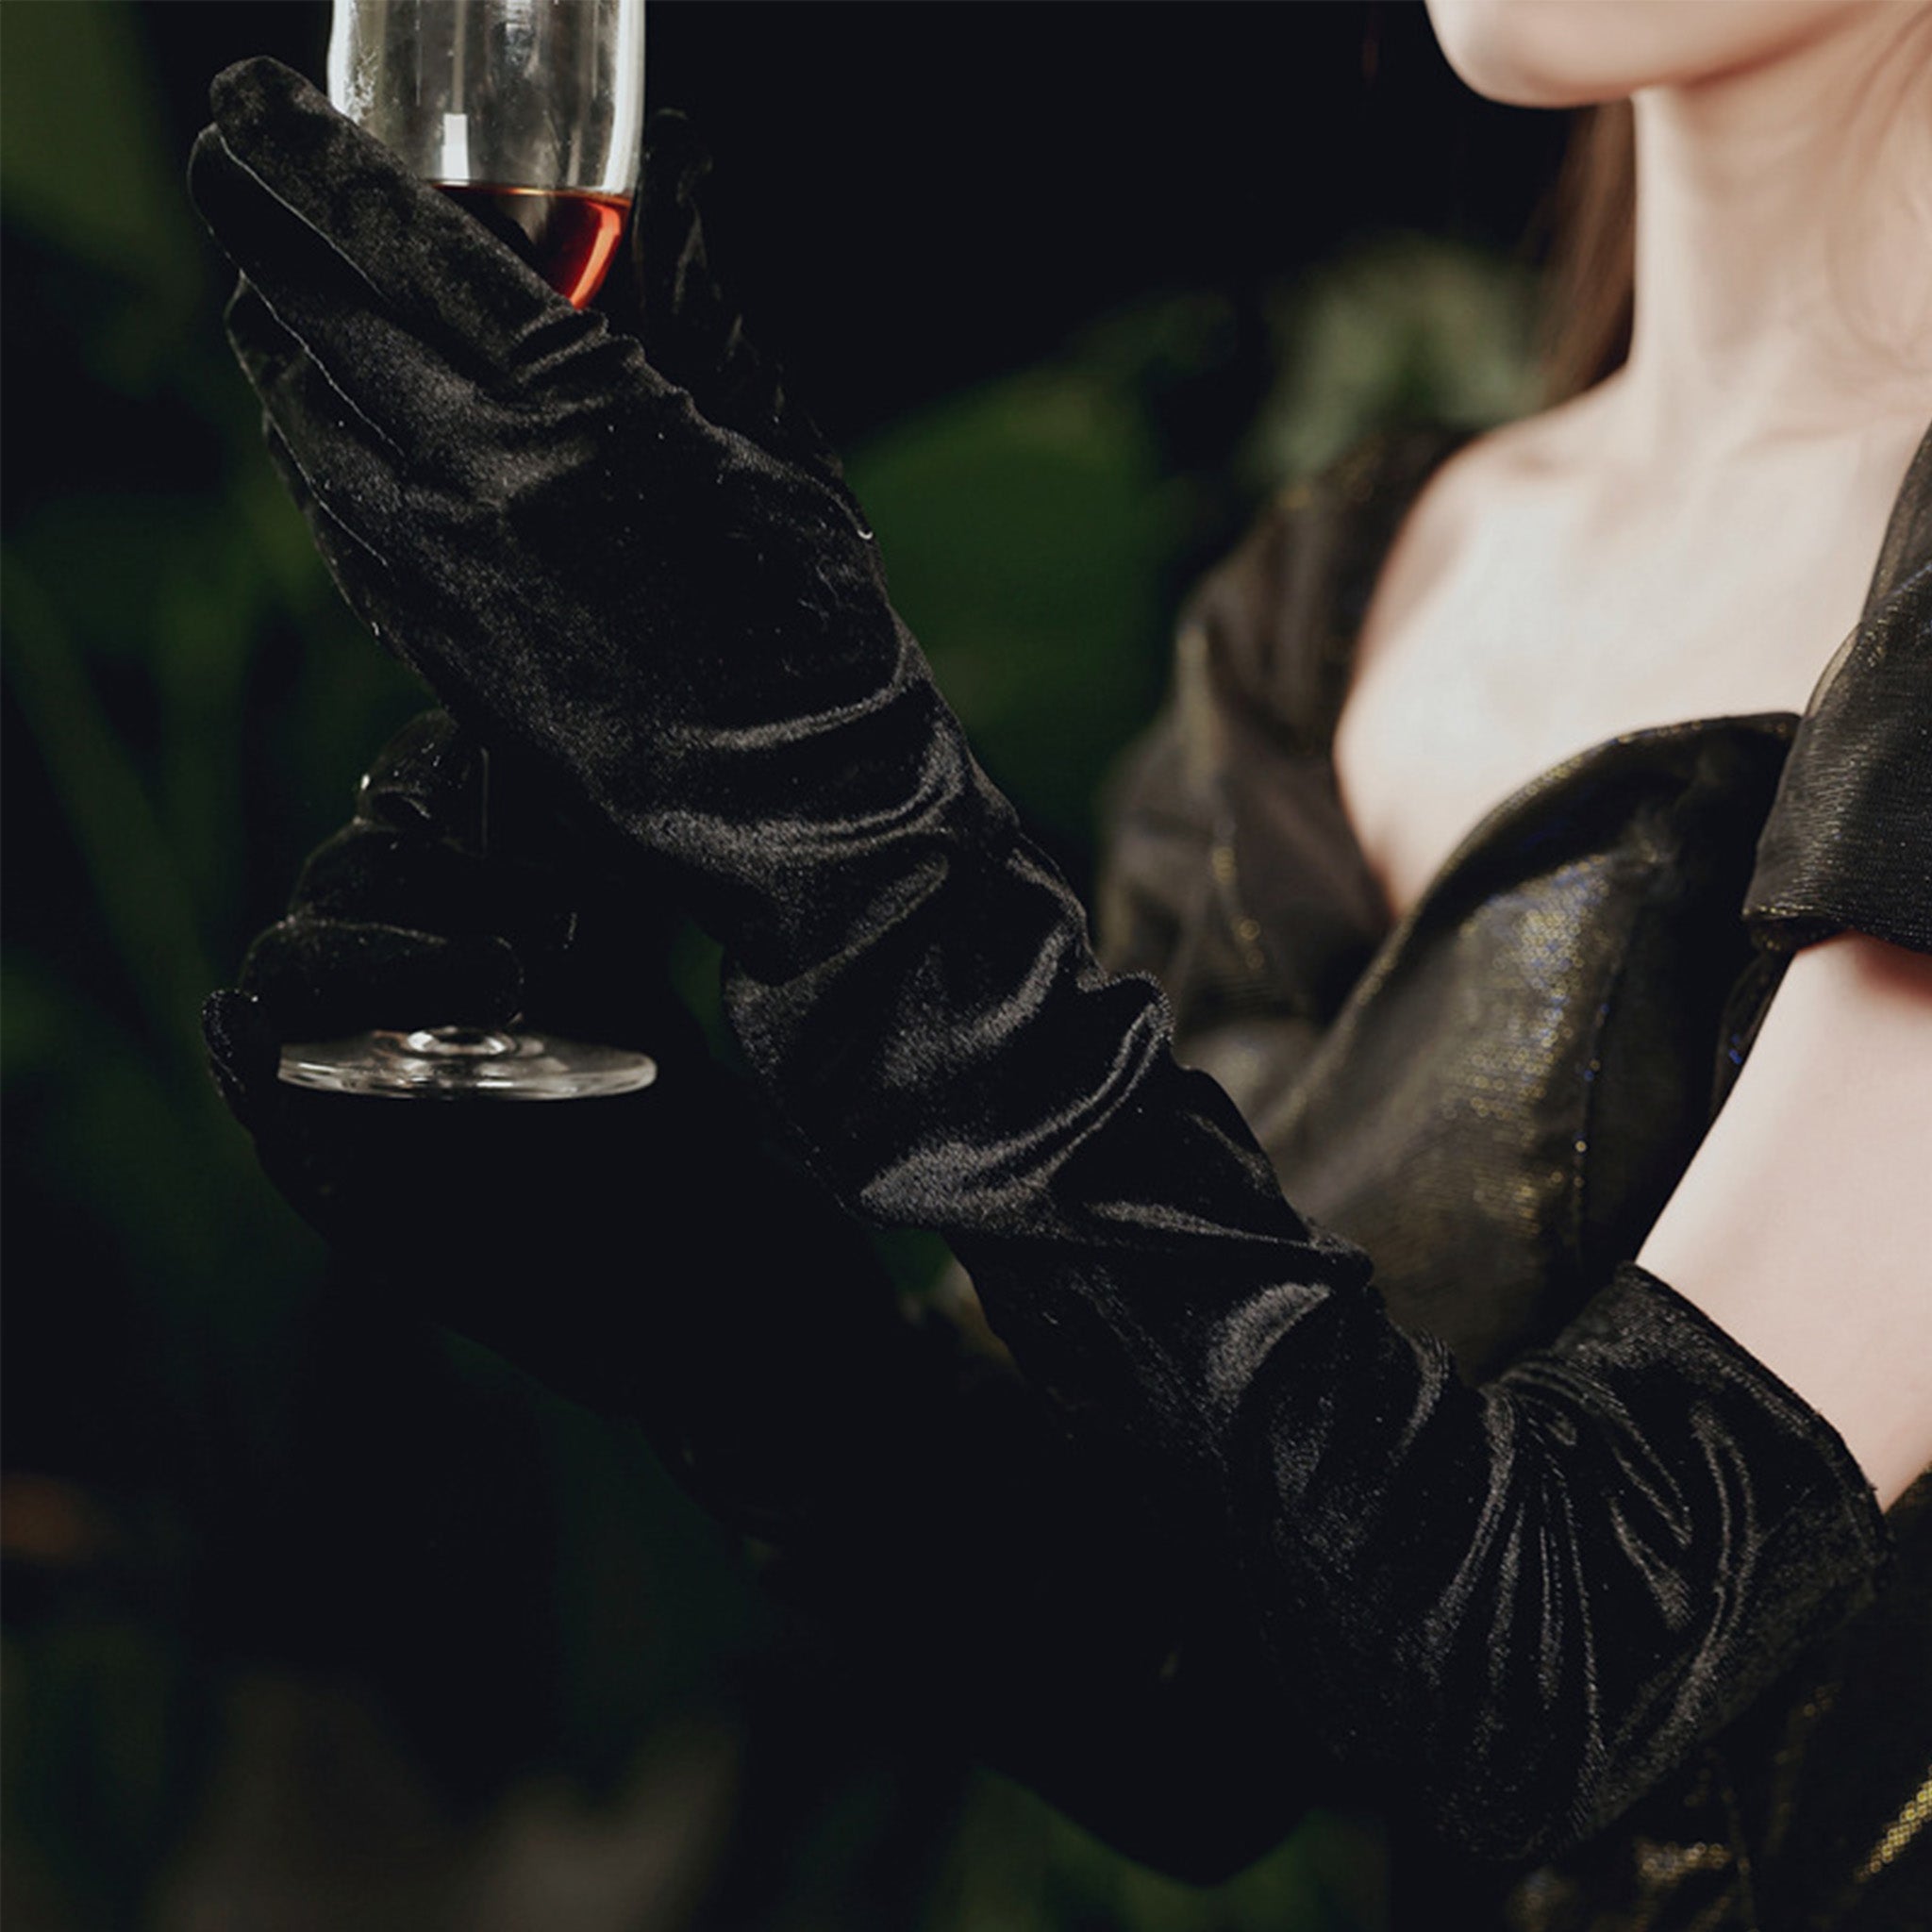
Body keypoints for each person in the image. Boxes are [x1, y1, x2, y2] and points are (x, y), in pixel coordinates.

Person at [189, 2, 1931, 1924]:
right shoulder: (1345, 576)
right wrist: (703, 1282)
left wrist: (827, 813)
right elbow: (1205, 1720)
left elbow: (1549, 1665)